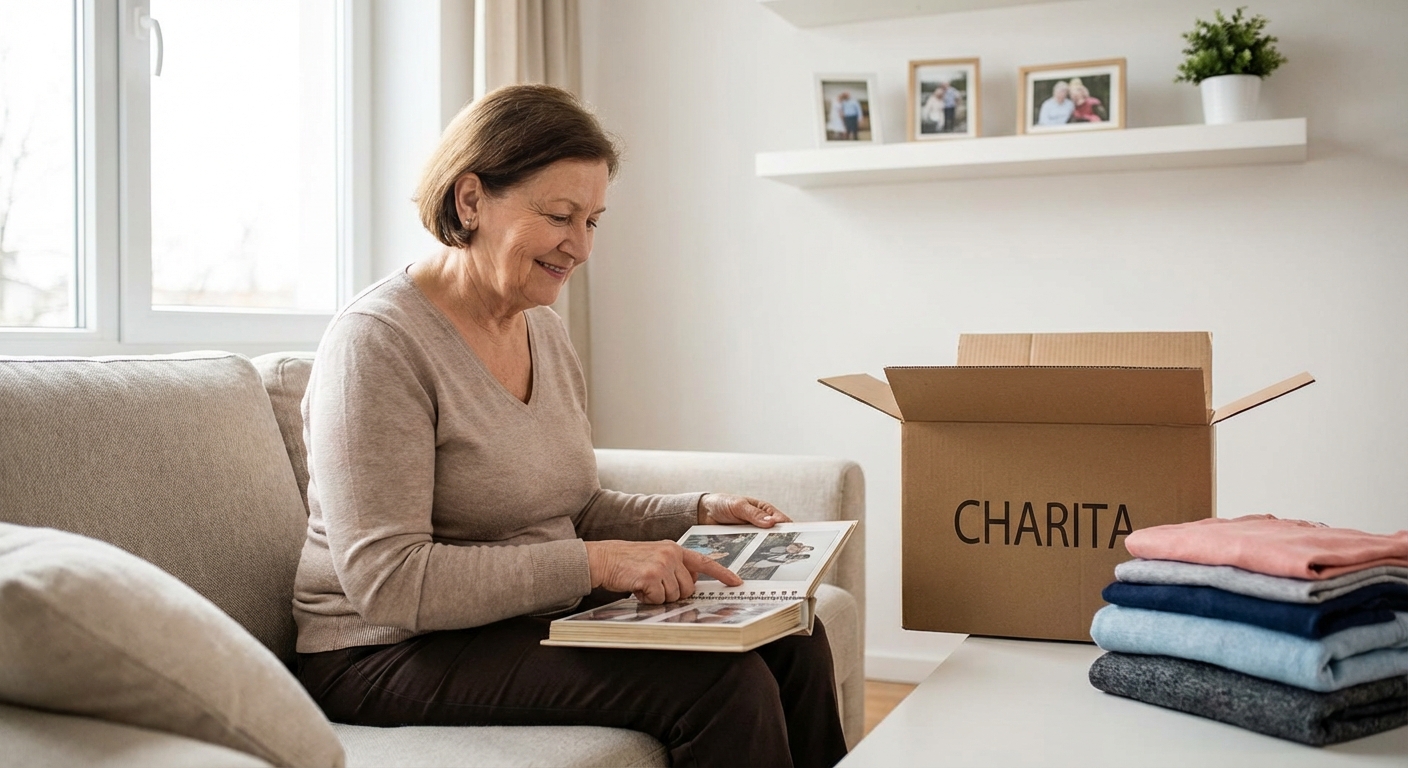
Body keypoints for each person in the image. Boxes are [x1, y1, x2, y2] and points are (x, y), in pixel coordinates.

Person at [292, 84, 848, 768]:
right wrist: (601, 563)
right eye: (560, 215)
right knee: (719, 687)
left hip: (506, 625)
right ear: (470, 201)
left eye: (593, 221)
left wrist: (695, 512)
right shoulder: (377, 343)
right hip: (381, 652)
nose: (580, 247)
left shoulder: (542, 331)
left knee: (794, 638)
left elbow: (572, 505)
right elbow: (391, 582)